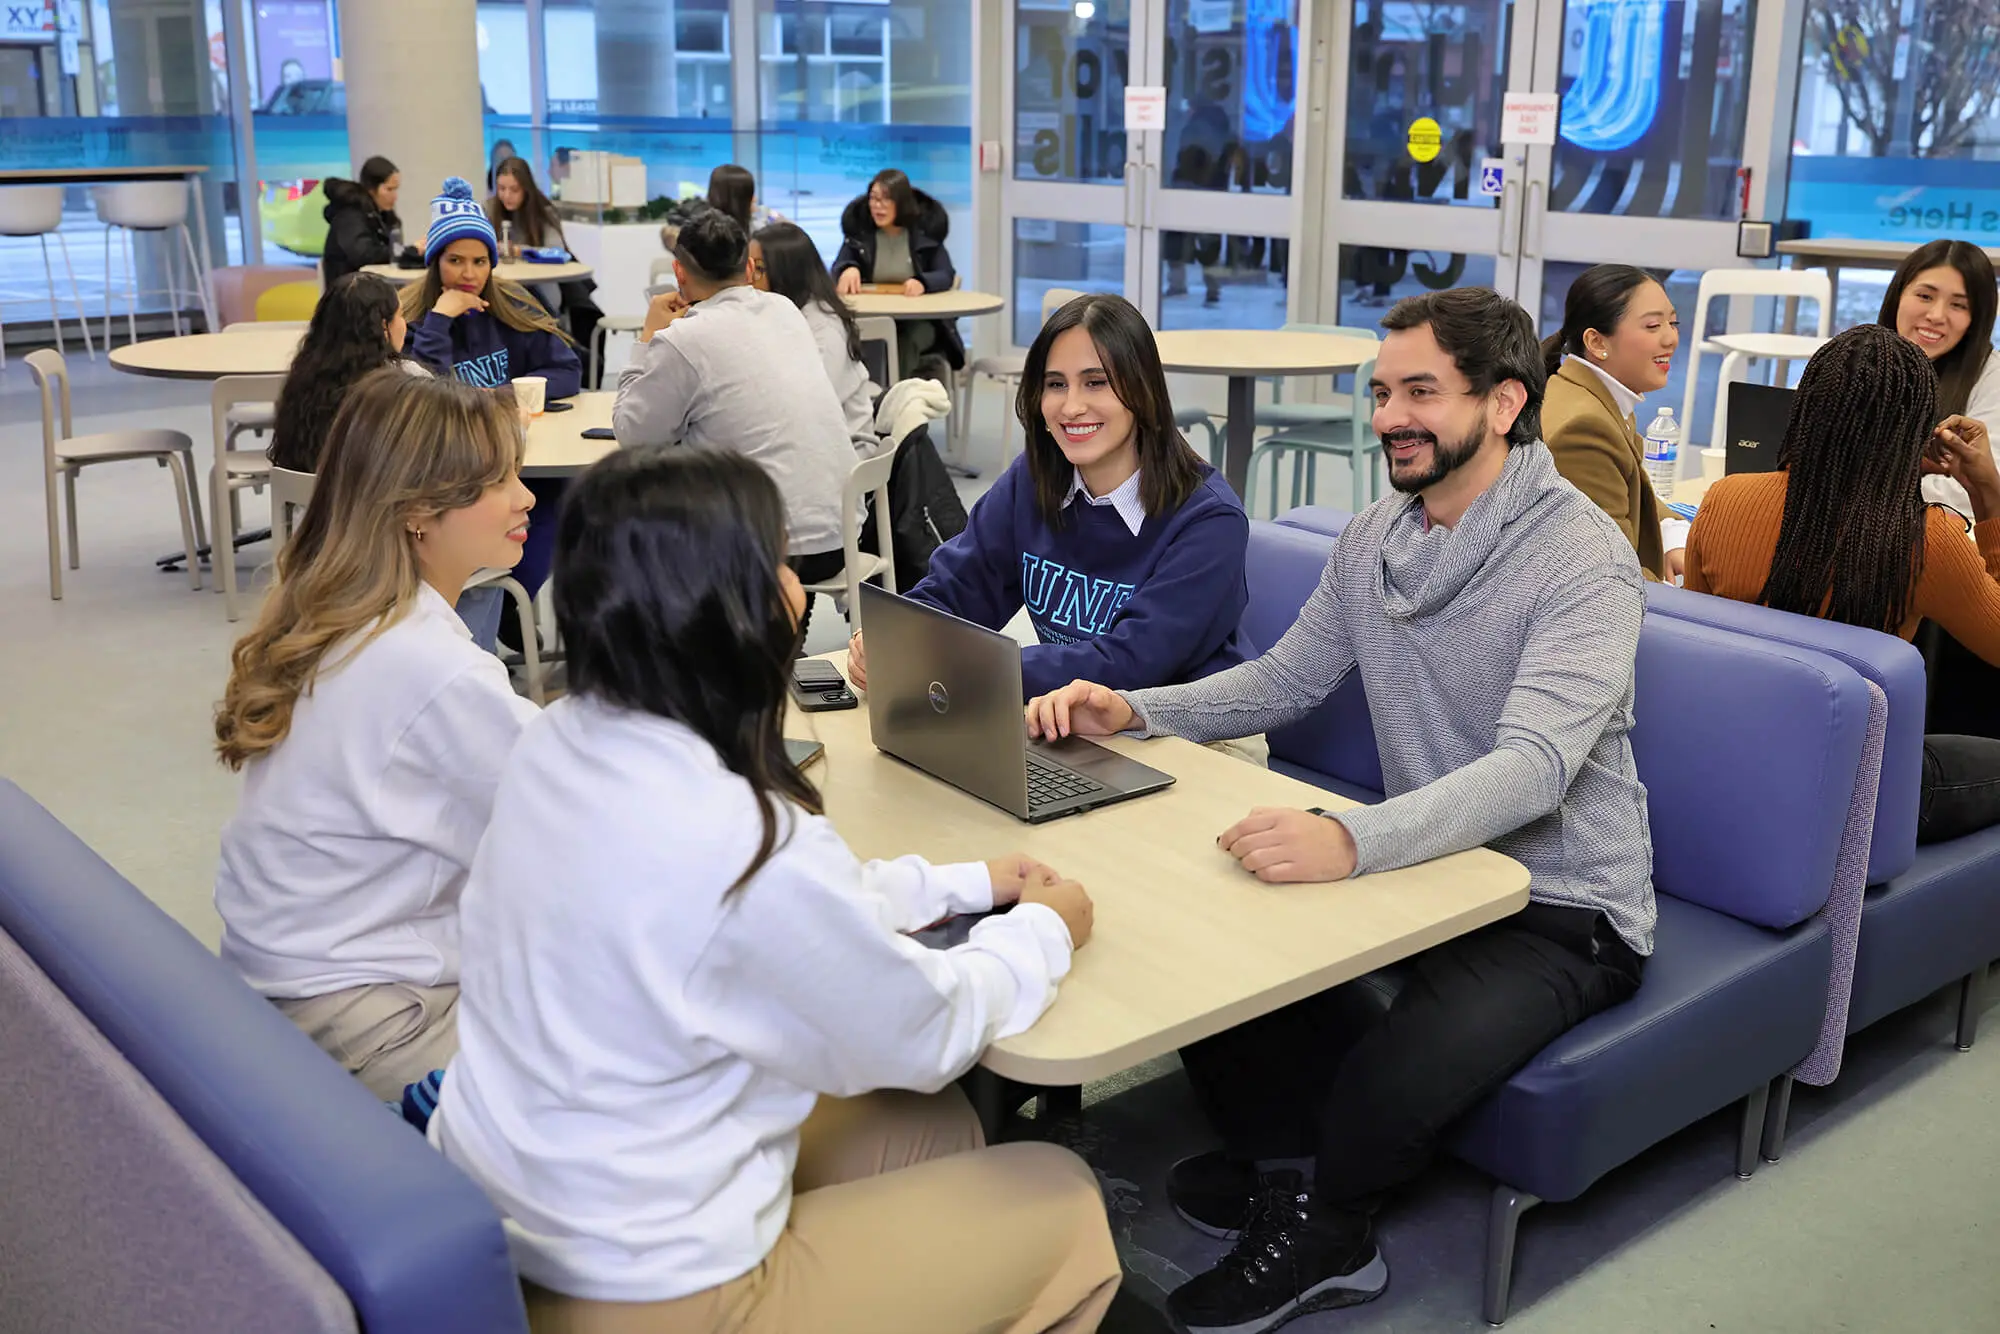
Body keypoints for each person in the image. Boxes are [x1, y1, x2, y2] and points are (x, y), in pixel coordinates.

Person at [1025, 287, 1655, 1334]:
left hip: (1559, 906)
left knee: (1381, 1080)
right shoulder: (1375, 537)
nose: (1386, 417)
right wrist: (1131, 708)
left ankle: (1330, 1227)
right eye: (1378, 393)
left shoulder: (1579, 555)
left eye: (1419, 392)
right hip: (1431, 866)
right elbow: (1281, 679)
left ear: (1502, 404)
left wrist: (1350, 838)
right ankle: (1287, 1170)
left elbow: (1534, 769)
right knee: (1213, 953)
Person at [428, 447, 1119, 1334]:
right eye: (783, 565)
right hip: (656, 1292)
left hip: (522, 1221)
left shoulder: (559, 738)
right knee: (1060, 1195)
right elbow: (927, 1026)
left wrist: (963, 884)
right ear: (725, 609)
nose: (800, 592)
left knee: (934, 1130)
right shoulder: (740, 842)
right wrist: (1044, 931)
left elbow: (790, 917)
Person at [212, 369, 538, 1099]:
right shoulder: (431, 665)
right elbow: (584, 811)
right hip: (377, 1023)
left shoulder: (345, 619)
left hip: (294, 990)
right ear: (419, 510)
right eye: (498, 481)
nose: (526, 497)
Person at [847, 292, 1252, 702]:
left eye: (1096, 382)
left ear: (1143, 390)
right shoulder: (1033, 480)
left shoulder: (1209, 520)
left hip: (1197, 734)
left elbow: (1133, 663)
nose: (1071, 406)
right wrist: (897, 633)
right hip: (1065, 713)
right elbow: (958, 589)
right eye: (1055, 384)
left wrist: (964, 664)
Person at [1686, 323, 2000, 843]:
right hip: (1857, 786)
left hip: (1732, 761)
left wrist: (1892, 471)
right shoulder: (1926, 540)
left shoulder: (1724, 500)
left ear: (1806, 408)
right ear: (1916, 433)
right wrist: (1988, 493)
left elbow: (1702, 637)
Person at [615, 209, 854, 629]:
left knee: (639, 519)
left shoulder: (682, 339)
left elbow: (633, 434)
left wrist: (648, 336)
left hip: (762, 549)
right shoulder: (785, 311)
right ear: (747, 267)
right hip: (840, 539)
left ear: (679, 272)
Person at [403, 176, 581, 604]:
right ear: (435, 263)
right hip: (451, 466)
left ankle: (516, 602)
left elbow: (567, 369)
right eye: (455, 260)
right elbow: (425, 393)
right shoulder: (412, 321)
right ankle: (501, 603)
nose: (469, 274)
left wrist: (498, 397)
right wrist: (440, 321)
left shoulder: (512, 306)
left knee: (564, 490)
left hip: (518, 452)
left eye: (480, 262)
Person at [1540, 264, 1684, 580]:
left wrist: (1672, 532)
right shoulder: (1583, 430)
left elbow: (1631, 496)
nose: (1670, 338)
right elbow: (1611, 574)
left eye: (1672, 323)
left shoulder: (1593, 393)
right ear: (1597, 343)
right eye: (1652, 326)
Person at [1877, 239, 2000, 519]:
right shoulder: (1858, 355)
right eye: (1925, 296)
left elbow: (1974, 494)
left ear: (1975, 320)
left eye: (1958, 305)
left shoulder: (1994, 378)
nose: (1936, 315)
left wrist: (1870, 494)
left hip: (1941, 537)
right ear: (1898, 295)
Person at [269, 272, 427, 474]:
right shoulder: (406, 378)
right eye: (401, 315)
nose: (405, 324)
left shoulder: (302, 378)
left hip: (308, 501)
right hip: (375, 502)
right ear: (383, 328)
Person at [751, 220, 880, 459]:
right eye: (747, 268)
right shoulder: (780, 312)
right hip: (805, 440)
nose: (749, 279)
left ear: (785, 273)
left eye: (758, 269)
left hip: (844, 451)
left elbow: (809, 406)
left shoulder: (824, 328)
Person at [833, 167, 962, 377]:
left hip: (918, 322)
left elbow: (945, 274)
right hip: (872, 317)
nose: (877, 206)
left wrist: (923, 282)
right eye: (873, 199)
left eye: (886, 200)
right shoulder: (861, 235)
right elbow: (840, 265)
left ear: (901, 203)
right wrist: (847, 269)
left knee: (903, 341)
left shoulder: (924, 234)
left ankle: (896, 400)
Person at [487, 155, 569, 313]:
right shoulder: (490, 209)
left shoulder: (544, 211)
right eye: (501, 189)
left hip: (540, 291)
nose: (506, 196)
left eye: (514, 190)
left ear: (526, 188)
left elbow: (557, 251)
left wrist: (518, 251)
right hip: (503, 288)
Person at [320, 154, 402, 288]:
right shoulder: (351, 215)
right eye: (389, 189)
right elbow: (364, 256)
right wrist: (405, 252)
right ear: (371, 189)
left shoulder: (383, 216)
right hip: (349, 295)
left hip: (370, 288)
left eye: (396, 189)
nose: (395, 196)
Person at [707, 161, 781, 234]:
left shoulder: (766, 216)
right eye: (749, 196)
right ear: (735, 202)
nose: (755, 199)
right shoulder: (706, 235)